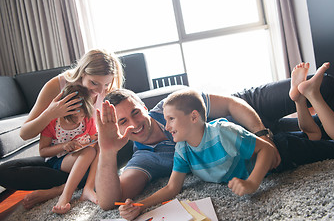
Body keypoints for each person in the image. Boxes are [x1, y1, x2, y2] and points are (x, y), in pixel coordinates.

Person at [118, 62, 334, 220]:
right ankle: (298, 97)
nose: (166, 125)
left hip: (283, 150)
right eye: (167, 120)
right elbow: (172, 188)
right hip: (273, 147)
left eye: (170, 120)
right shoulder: (182, 149)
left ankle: (312, 94)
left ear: (193, 117)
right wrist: (141, 205)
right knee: (315, 136)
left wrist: (253, 183)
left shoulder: (222, 131)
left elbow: (265, 149)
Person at [95, 87, 279, 211]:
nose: (134, 124)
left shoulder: (169, 106)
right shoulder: (143, 159)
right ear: (117, 127)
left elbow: (231, 104)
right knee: (303, 134)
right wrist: (107, 151)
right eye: (123, 121)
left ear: (144, 107)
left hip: (248, 113)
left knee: (295, 92)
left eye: (135, 112)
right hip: (246, 155)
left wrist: (262, 135)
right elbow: (108, 202)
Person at [0, 49, 123, 209]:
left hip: (93, 157)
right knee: (5, 171)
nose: (100, 91)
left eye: (106, 84)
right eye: (94, 83)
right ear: (82, 72)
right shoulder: (57, 85)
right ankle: (78, 183)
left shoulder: (109, 88)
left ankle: (61, 189)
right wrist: (50, 113)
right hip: (62, 159)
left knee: (119, 147)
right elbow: (25, 134)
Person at [40, 84, 98, 214]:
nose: (78, 121)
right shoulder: (53, 123)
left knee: (98, 153)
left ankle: (78, 188)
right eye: (73, 118)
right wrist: (63, 146)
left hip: (79, 156)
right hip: (58, 159)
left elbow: (93, 138)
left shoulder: (87, 120)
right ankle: (65, 196)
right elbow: (42, 152)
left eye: (82, 117)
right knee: (89, 152)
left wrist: (97, 138)